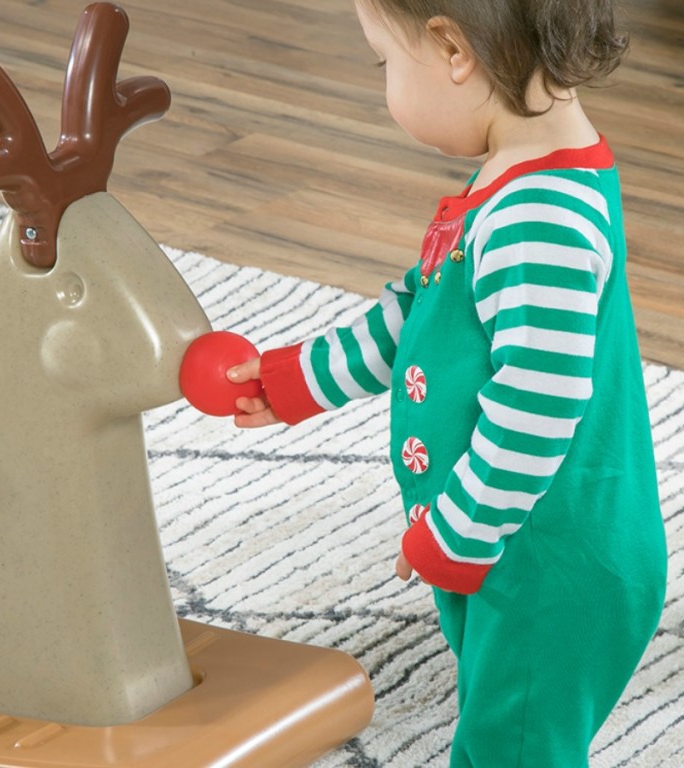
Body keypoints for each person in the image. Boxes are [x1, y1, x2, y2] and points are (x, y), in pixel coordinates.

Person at [227, 1, 668, 765]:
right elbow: (427, 309)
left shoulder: (540, 220)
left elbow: (537, 406)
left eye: (384, 61)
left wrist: (460, 531)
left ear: (453, 50)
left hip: (547, 562)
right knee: (503, 719)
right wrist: (299, 380)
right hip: (506, 539)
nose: (384, 84)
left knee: (512, 746)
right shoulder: (520, 169)